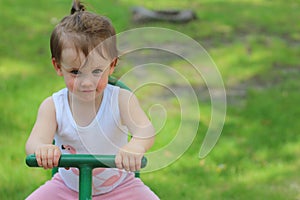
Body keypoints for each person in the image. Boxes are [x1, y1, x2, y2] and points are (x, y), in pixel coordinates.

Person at [25, 0, 159, 199]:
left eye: (97, 71)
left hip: (121, 187)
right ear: (58, 66)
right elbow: (34, 141)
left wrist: (135, 146)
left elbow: (145, 130)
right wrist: (42, 149)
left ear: (112, 65)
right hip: (66, 188)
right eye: (76, 72)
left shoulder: (121, 100)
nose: (86, 82)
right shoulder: (53, 106)